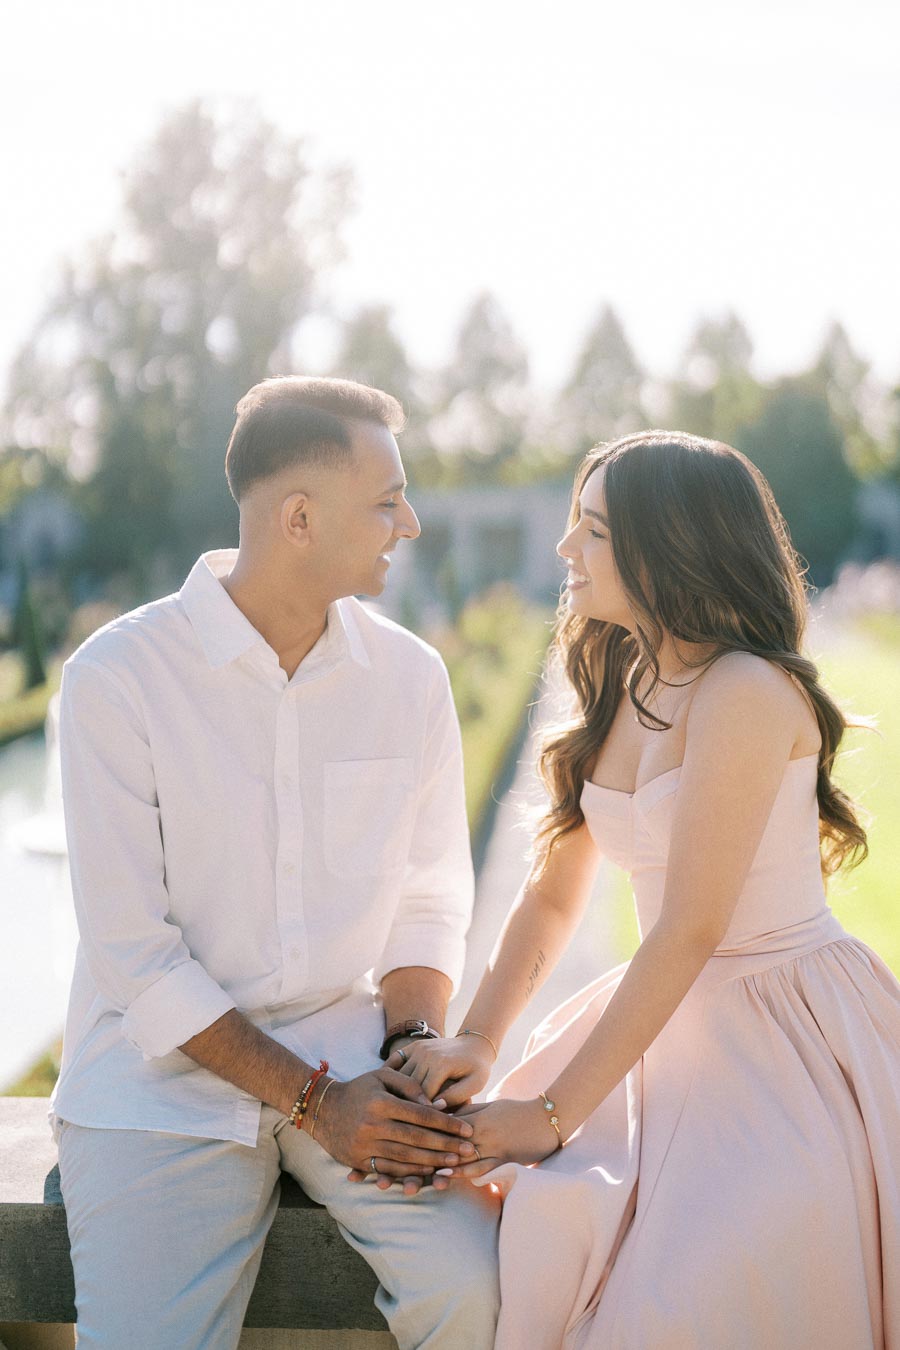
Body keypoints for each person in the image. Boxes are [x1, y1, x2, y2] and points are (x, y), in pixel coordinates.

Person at [388, 431, 900, 1348]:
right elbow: (551, 897)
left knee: (683, 1288)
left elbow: (690, 929)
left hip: (781, 1031)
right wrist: (479, 1036)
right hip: (670, 1018)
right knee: (544, 1226)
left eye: (590, 530)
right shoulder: (623, 675)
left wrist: (548, 1116)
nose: (563, 550)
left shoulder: (744, 689)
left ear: (668, 544)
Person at [50, 376, 500, 1350]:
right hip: (157, 1081)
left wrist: (412, 1049)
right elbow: (136, 958)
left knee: (483, 1289)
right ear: (298, 516)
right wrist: (312, 1102)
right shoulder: (116, 683)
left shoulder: (410, 679)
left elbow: (429, 898)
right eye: (387, 500)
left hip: (350, 1056)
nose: (409, 522)